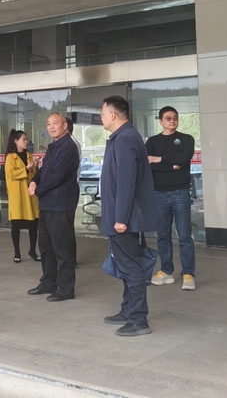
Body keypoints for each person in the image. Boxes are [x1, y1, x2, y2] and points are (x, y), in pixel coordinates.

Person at [99, 96, 158, 337]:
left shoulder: (125, 139)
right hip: (122, 216)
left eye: (102, 113)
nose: (101, 118)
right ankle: (128, 310)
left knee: (131, 267)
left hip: (124, 218)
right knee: (126, 264)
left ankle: (138, 319)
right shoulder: (124, 137)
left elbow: (126, 183)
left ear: (113, 115)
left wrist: (121, 218)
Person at [27, 113, 79, 302]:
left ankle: (65, 289)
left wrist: (38, 190)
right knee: (46, 247)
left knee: (62, 248)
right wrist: (34, 181)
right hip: (47, 204)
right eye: (48, 124)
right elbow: (44, 170)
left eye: (55, 123)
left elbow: (57, 175)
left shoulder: (68, 147)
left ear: (65, 126)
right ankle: (49, 282)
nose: (51, 127)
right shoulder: (53, 146)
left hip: (60, 204)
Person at [146, 106, 197, 291]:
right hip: (158, 194)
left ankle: (188, 274)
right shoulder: (152, 141)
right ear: (160, 121)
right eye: (168, 118)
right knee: (163, 236)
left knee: (185, 236)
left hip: (180, 192)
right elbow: (147, 163)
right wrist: (170, 165)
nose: (172, 120)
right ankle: (166, 271)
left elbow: (183, 158)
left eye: (175, 117)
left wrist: (159, 159)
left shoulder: (186, 139)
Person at [4, 129, 40, 263]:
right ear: (16, 141)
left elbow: (34, 175)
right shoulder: (10, 157)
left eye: (26, 139)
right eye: (23, 139)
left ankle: (33, 251)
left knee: (33, 225)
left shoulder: (29, 155)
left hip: (29, 194)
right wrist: (26, 168)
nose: (26, 141)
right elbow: (11, 174)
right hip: (18, 195)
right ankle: (17, 252)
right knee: (16, 226)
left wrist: (35, 167)